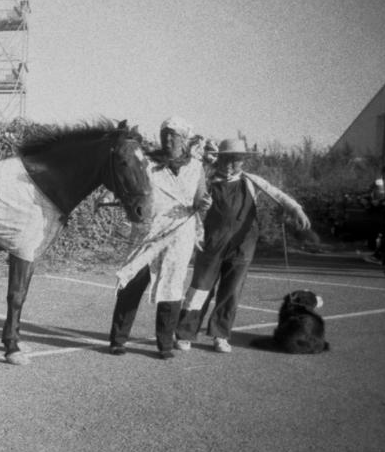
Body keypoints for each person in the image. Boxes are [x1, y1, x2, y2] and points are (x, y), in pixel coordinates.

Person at [175, 138, 311, 353]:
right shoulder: (206, 180)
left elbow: (277, 194)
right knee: (199, 289)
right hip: (211, 245)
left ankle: (220, 335)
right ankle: (184, 333)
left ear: (243, 161)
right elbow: (190, 206)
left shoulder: (251, 181)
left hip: (243, 247)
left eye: (236, 160)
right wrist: (200, 206)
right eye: (227, 159)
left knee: (231, 292)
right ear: (219, 160)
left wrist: (296, 209)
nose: (231, 164)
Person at [109, 117, 212, 359]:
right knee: (132, 283)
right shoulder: (148, 162)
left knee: (172, 286)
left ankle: (165, 344)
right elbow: (133, 185)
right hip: (149, 232)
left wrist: (203, 203)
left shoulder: (196, 167)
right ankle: (118, 340)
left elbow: (201, 198)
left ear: (184, 139)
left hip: (180, 233)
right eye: (164, 134)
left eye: (173, 135)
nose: (167, 139)